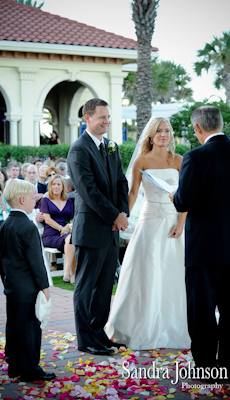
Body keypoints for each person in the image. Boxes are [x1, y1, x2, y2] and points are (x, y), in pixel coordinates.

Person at [105, 117, 191, 351]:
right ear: (150, 135)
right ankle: (139, 325)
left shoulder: (179, 160)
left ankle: (173, 325)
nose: (163, 134)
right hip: (149, 222)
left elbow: (185, 195)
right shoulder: (141, 160)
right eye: (158, 131)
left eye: (167, 131)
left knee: (173, 274)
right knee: (145, 272)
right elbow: (133, 193)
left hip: (173, 225)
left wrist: (181, 223)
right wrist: (122, 218)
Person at [170, 106, 230, 383]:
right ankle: (229, 366)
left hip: (204, 248)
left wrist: (175, 194)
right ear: (221, 124)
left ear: (198, 129)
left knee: (202, 310)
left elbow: (184, 200)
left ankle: (207, 368)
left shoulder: (194, 157)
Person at [67, 98, 129, 356]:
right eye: (102, 117)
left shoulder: (111, 147)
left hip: (111, 230)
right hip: (92, 229)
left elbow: (120, 182)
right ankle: (86, 339)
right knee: (86, 287)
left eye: (108, 116)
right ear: (87, 119)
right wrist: (114, 215)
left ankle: (100, 335)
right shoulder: (78, 150)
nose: (107, 121)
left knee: (105, 287)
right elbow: (88, 191)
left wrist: (122, 212)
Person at [0, 179, 56, 382]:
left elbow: (0, 260)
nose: (35, 202)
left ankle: (14, 365)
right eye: (33, 198)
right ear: (22, 199)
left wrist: (6, 282)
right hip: (29, 288)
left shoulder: (4, 226)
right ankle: (30, 368)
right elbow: (36, 262)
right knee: (30, 329)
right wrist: (44, 287)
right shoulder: (28, 227)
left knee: (13, 326)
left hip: (12, 287)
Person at [40, 174, 75, 283]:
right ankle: (68, 273)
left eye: (58, 184)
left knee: (72, 239)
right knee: (72, 239)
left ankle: (72, 276)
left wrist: (67, 228)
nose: (56, 187)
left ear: (63, 186)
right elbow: (47, 220)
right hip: (50, 234)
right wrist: (61, 228)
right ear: (50, 186)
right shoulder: (45, 200)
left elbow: (73, 220)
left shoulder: (69, 201)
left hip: (66, 233)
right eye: (53, 184)